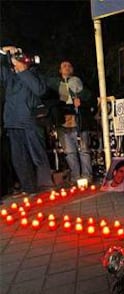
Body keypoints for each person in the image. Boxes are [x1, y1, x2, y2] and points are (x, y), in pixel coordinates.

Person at [0, 46, 54, 195]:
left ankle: (45, 184)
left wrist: (23, 70)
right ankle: (29, 188)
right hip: (12, 121)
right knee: (19, 158)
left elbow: (40, 90)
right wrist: (3, 51)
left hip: (30, 121)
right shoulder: (9, 76)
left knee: (37, 153)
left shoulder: (34, 74)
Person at [47, 60, 93, 184]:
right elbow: (50, 101)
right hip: (63, 123)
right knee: (70, 152)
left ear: (72, 69)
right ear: (60, 70)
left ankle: (87, 177)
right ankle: (75, 177)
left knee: (84, 150)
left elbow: (90, 97)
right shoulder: (55, 85)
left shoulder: (80, 83)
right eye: (64, 66)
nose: (67, 68)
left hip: (79, 121)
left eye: (69, 66)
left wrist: (81, 101)